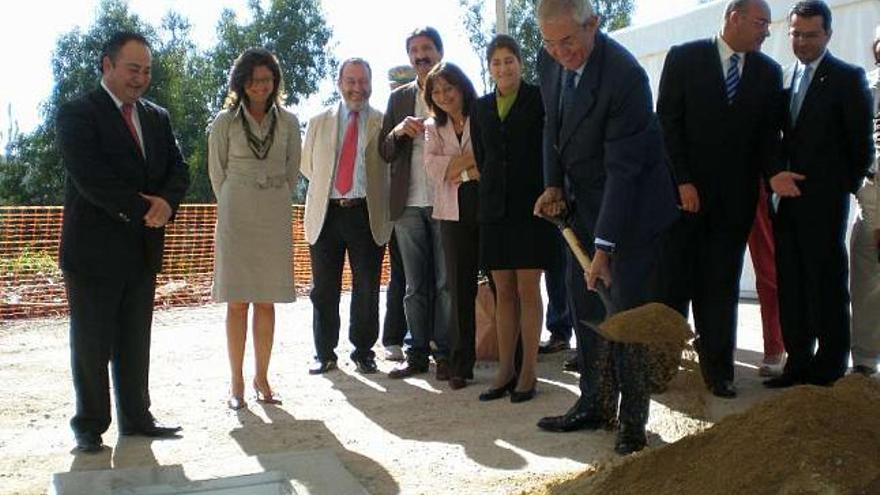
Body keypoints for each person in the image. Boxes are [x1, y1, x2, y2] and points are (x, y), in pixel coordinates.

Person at [531, 0, 678, 455]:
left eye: (569, 41)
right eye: (550, 43)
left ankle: (632, 422)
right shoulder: (550, 58)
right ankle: (595, 402)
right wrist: (553, 184)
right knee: (585, 307)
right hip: (584, 203)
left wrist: (605, 247)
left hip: (631, 211)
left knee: (624, 314)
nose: (560, 53)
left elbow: (624, 170)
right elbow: (552, 125)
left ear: (593, 24)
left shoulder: (625, 77)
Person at [56, 31, 190, 453]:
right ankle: (90, 426)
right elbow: (90, 177)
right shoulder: (77, 112)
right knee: (92, 343)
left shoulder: (157, 117)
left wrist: (167, 203)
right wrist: (143, 209)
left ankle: (137, 417)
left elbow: (179, 169)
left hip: (142, 249)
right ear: (107, 65)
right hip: (93, 252)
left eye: (147, 70)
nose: (141, 78)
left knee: (135, 339)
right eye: (133, 69)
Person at [655, 0, 783, 397]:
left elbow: (767, 138)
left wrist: (775, 175)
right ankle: (659, 369)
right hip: (682, 200)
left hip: (735, 204)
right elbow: (667, 125)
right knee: (671, 286)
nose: (766, 31)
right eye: (760, 22)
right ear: (734, 17)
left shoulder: (768, 72)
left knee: (721, 287)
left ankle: (718, 372)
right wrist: (683, 181)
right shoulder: (684, 58)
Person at [765, 0, 874, 388]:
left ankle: (828, 368)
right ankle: (797, 364)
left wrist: (831, 191)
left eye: (811, 35)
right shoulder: (781, 78)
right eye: (796, 33)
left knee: (826, 285)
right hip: (785, 204)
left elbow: (861, 151)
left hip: (824, 206)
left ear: (828, 34)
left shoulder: (848, 79)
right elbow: (772, 139)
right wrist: (775, 175)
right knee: (791, 284)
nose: (803, 42)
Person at [208, 48, 300, 409]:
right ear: (241, 83)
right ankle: (236, 384)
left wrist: (272, 194)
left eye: (267, 79)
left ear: (275, 82)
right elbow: (217, 173)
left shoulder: (290, 122)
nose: (261, 86)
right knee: (237, 302)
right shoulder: (224, 122)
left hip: (273, 211)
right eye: (254, 80)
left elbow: (293, 170)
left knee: (266, 300)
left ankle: (262, 377)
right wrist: (236, 199)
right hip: (237, 213)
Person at [471, 35, 555, 403]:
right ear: (489, 68)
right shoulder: (480, 107)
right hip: (493, 211)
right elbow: (481, 153)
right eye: (496, 62)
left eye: (509, 60)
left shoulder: (539, 99)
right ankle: (505, 369)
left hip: (531, 208)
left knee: (527, 291)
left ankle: (529, 371)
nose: (503, 68)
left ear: (520, 63)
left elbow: (550, 148)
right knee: (502, 291)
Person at [301, 58, 392, 376]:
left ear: (371, 84)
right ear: (339, 83)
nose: (358, 88)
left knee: (366, 287)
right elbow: (306, 166)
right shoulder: (317, 121)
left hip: (366, 212)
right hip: (326, 213)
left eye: (363, 81)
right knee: (324, 289)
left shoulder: (383, 121)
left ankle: (364, 351)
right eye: (351, 81)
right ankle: (324, 353)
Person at [379, 27, 452, 380]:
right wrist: (397, 132)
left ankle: (447, 353)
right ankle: (417, 352)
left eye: (427, 49)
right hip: (407, 203)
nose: (421, 55)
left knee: (445, 282)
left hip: (446, 199)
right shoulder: (398, 99)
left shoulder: (453, 92)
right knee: (413, 284)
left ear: (440, 51)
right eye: (414, 50)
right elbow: (384, 149)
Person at [423, 62, 480, 389]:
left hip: (487, 208)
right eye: (437, 91)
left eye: (449, 88)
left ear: (462, 87)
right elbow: (433, 168)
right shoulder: (433, 127)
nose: (444, 95)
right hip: (452, 213)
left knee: (501, 286)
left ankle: (514, 361)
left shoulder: (481, 114)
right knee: (459, 289)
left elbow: (489, 154)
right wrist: (470, 168)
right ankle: (461, 364)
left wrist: (456, 168)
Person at [849, 25, 880, 377]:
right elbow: (866, 159)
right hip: (873, 197)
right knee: (867, 281)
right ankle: (866, 360)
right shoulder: (869, 86)